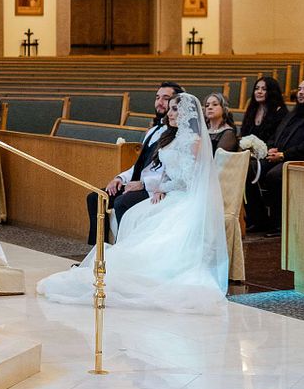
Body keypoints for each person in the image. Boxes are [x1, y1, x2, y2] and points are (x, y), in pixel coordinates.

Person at [40, 93, 229, 313]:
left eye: (175, 109)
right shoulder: (173, 137)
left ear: (188, 113)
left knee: (147, 222)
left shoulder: (195, 142)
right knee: (133, 214)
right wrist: (160, 185)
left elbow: (189, 179)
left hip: (186, 199)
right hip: (168, 192)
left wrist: (160, 188)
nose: (170, 113)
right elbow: (167, 170)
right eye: (170, 109)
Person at [84, 82, 183, 245]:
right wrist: (120, 179)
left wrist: (143, 184)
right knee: (96, 198)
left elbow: (171, 171)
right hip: (137, 183)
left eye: (165, 99)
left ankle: (122, 249)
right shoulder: (153, 131)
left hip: (155, 188)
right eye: (157, 98)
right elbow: (139, 165)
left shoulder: (177, 134)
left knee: (121, 202)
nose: (159, 102)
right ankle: (98, 252)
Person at [255, 78, 304, 237]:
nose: (300, 92)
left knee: (275, 175)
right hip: (285, 157)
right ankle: (258, 220)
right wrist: (271, 148)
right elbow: (277, 135)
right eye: (299, 89)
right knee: (251, 169)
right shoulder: (293, 113)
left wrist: (284, 155)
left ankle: (279, 224)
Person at [239, 76, 287, 232]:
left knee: (247, 168)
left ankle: (260, 218)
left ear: (271, 92)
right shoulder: (252, 109)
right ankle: (253, 216)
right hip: (250, 154)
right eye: (257, 88)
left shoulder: (279, 111)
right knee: (239, 165)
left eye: (263, 89)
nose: (259, 91)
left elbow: (278, 137)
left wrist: (262, 150)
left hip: (269, 154)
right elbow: (245, 133)